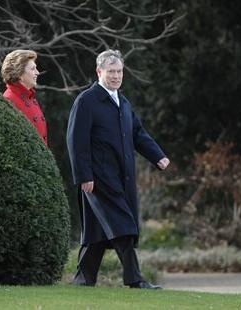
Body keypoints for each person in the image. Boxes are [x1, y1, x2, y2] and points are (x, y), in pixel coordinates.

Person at [66, 49, 170, 289]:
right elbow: (76, 141)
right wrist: (84, 175)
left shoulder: (122, 102)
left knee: (97, 231)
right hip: (99, 178)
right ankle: (135, 279)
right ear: (99, 71)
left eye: (119, 71)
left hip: (122, 177)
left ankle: (83, 280)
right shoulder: (86, 101)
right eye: (111, 71)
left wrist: (158, 156)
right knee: (124, 225)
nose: (116, 76)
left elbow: (138, 133)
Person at [1, 50, 47, 145]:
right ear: (20, 73)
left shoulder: (30, 97)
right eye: (32, 69)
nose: (37, 73)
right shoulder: (9, 100)